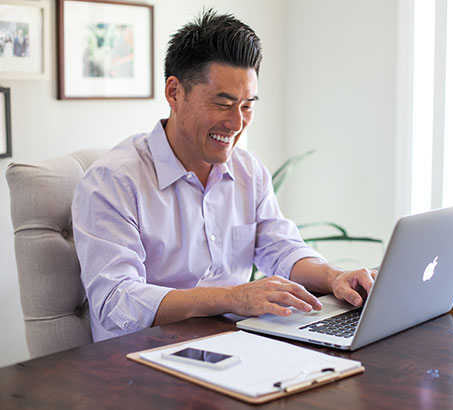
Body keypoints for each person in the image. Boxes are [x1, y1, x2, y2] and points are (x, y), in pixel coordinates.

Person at [72, 9, 375, 342]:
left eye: (247, 105)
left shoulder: (248, 171)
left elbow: (282, 249)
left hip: (232, 347)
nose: (236, 124)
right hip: (141, 361)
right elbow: (116, 304)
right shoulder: (112, 181)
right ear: (174, 93)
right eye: (223, 103)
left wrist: (334, 278)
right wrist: (234, 297)